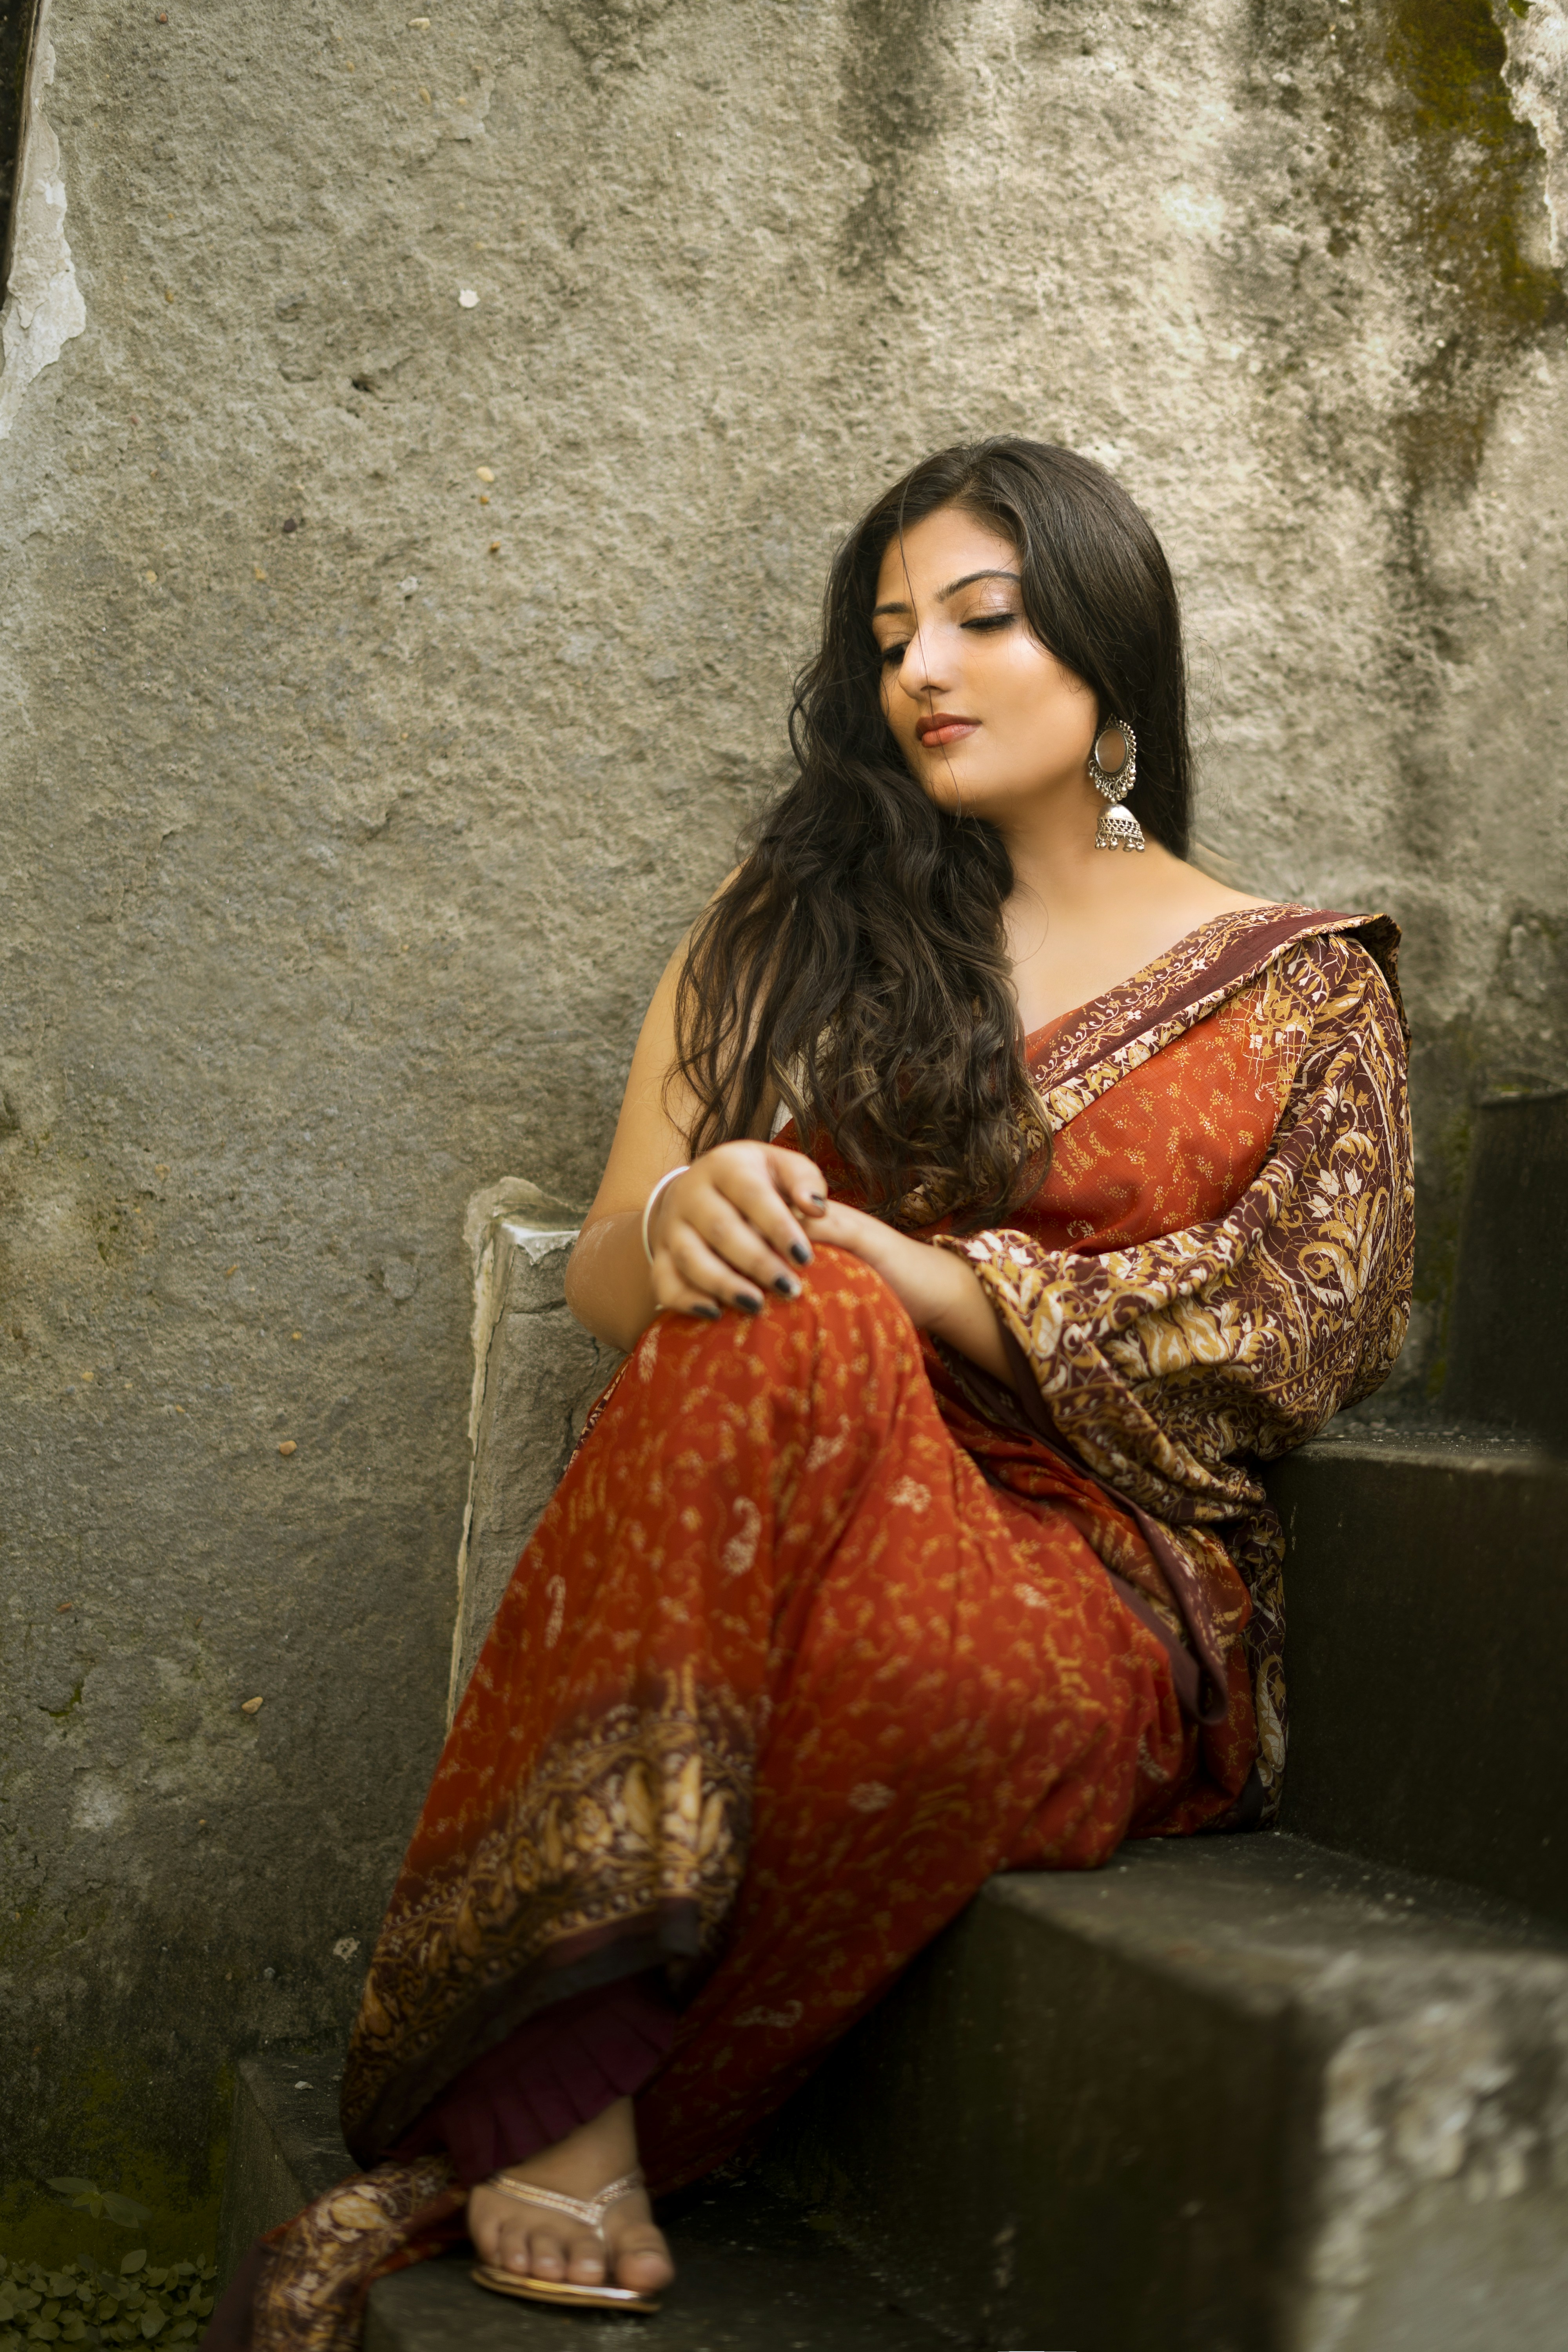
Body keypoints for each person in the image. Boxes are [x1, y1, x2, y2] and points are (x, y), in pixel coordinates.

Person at [209, 440, 1411, 2349]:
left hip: (1095, 1584)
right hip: (776, 1497)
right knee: (787, 1305)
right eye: (888, 635)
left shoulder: (1296, 990)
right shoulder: (796, 918)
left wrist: (911, 1265)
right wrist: (693, 1213)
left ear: (1110, 657)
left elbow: (1298, 1332)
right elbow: (618, 1265)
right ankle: (561, 2088)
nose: (919, 668)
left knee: (837, 1324)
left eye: (979, 620)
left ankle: (545, 2078)